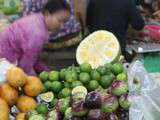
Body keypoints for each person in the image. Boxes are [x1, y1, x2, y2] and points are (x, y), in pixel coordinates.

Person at [0, 0, 70, 75]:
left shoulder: (38, 19)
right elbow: (25, 66)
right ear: (47, 14)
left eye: (64, 22)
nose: (62, 26)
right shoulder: (38, 33)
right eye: (59, 21)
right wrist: (38, 81)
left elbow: (33, 58)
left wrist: (47, 72)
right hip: (4, 59)